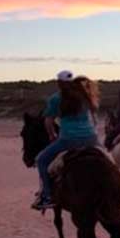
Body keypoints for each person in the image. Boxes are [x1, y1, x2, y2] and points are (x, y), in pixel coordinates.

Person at [32, 71, 101, 210]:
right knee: (109, 159)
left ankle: (47, 196)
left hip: (69, 139)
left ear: (58, 83)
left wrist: (52, 136)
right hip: (91, 139)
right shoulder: (84, 96)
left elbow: (48, 121)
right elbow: (94, 118)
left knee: (41, 160)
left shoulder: (56, 98)